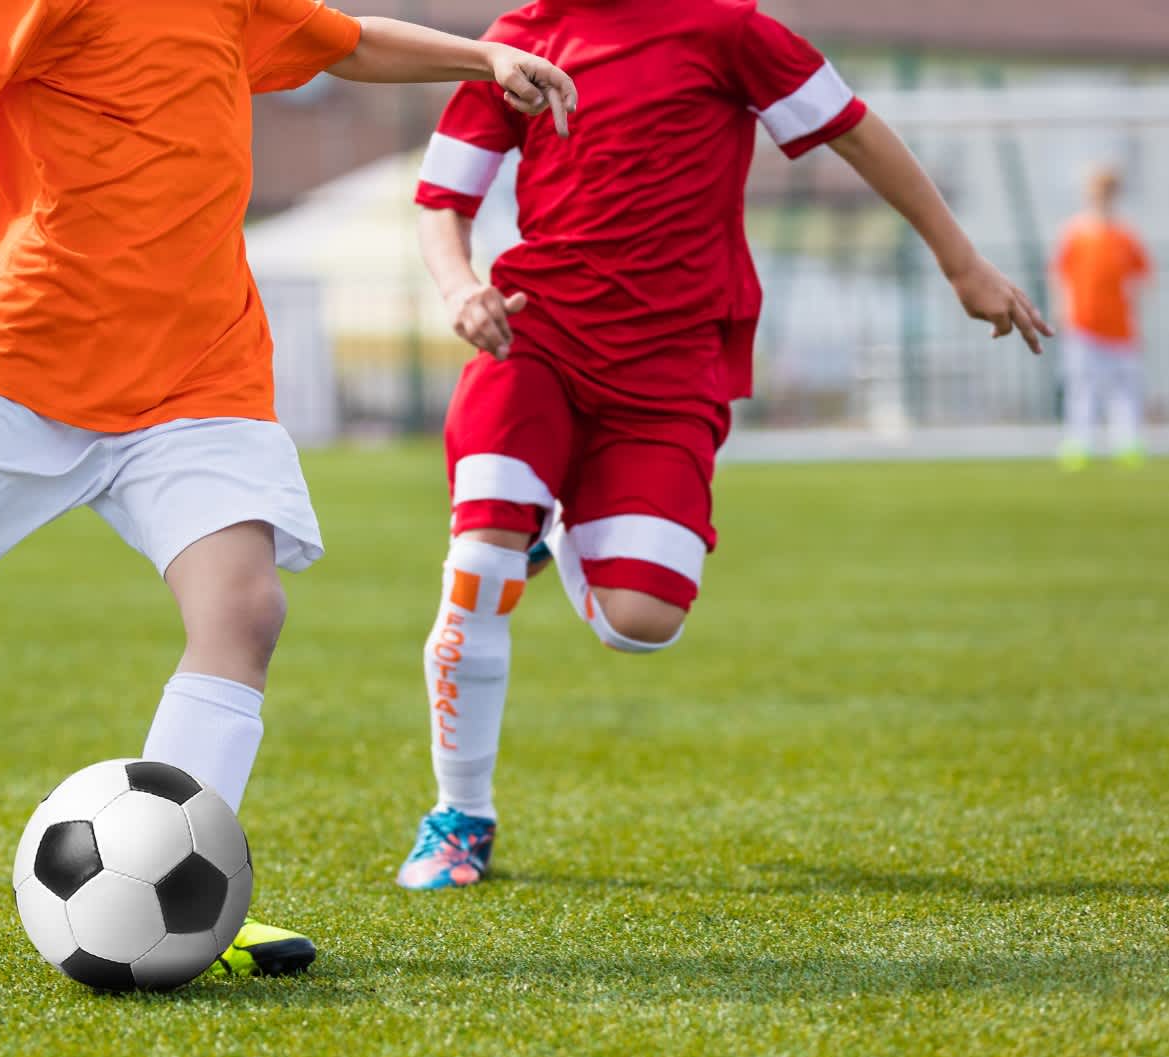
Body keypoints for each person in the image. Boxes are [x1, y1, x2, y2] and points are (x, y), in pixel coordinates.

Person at [0, 0, 576, 978]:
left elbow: (345, 43)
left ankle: (176, 902)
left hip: (197, 374)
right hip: (22, 364)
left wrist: (480, 57)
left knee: (241, 609)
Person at [395, 0, 1052, 891]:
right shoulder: (510, 44)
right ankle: (458, 819)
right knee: (478, 567)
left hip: (671, 366)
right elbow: (443, 200)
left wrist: (961, 264)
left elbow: (853, 131)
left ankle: (554, 528)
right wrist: (457, 288)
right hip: (531, 339)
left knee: (642, 626)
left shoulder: (725, 29)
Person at [1053, 165, 1153, 470]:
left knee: (1125, 388)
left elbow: (1140, 279)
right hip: (1084, 323)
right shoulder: (1075, 234)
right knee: (1082, 386)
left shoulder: (1125, 236)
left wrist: (1136, 317)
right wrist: (1064, 312)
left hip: (1120, 327)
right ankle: (1079, 444)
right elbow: (1061, 276)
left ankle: (1127, 443)